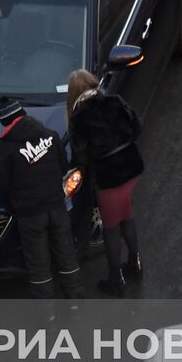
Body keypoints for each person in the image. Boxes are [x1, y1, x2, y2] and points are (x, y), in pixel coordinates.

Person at [0, 97, 85, 300]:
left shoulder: (5, 147)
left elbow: (4, 183)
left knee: (39, 265)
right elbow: (63, 167)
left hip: (30, 215)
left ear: (5, 122)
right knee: (66, 254)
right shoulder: (51, 136)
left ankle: (47, 316)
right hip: (56, 207)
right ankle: (76, 301)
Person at [66, 69, 144, 296]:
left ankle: (116, 280)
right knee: (127, 215)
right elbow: (137, 126)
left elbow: (80, 158)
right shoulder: (114, 101)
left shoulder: (79, 118)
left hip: (108, 178)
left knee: (111, 227)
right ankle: (134, 263)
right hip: (131, 168)